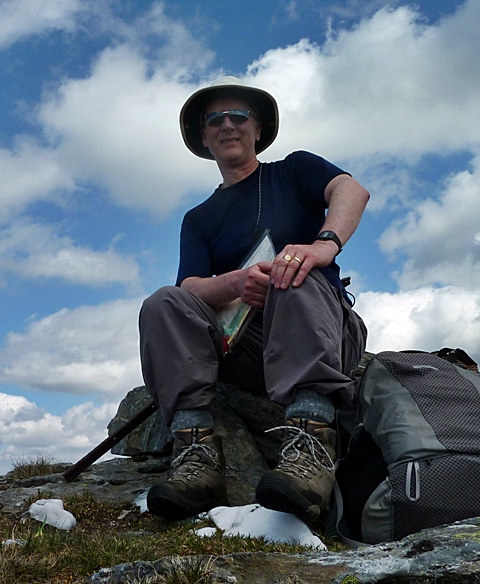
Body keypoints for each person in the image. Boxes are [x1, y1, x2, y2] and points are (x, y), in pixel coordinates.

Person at [139, 76, 369, 522]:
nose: (227, 124)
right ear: (204, 138)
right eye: (214, 120)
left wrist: (322, 245)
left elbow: (350, 190)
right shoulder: (198, 218)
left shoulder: (294, 170)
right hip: (245, 348)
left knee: (291, 269)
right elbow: (189, 288)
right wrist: (235, 283)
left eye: (239, 115)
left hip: (322, 329)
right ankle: (196, 457)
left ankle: (310, 446)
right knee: (162, 303)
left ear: (257, 129)